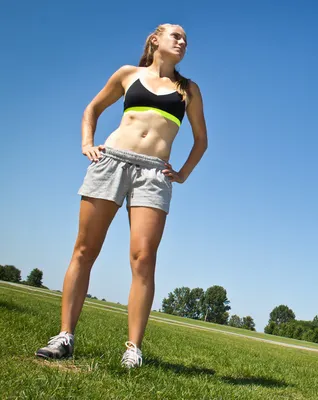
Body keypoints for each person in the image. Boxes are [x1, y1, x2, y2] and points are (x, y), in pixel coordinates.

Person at [35, 23, 208, 368]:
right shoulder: (128, 75)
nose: (182, 42)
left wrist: (183, 173)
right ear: (155, 40)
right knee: (85, 249)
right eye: (176, 35)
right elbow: (93, 109)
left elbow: (201, 139)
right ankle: (65, 336)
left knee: (144, 259)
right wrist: (87, 143)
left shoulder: (188, 89)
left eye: (186, 39)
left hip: (153, 174)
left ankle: (133, 349)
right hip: (111, 161)